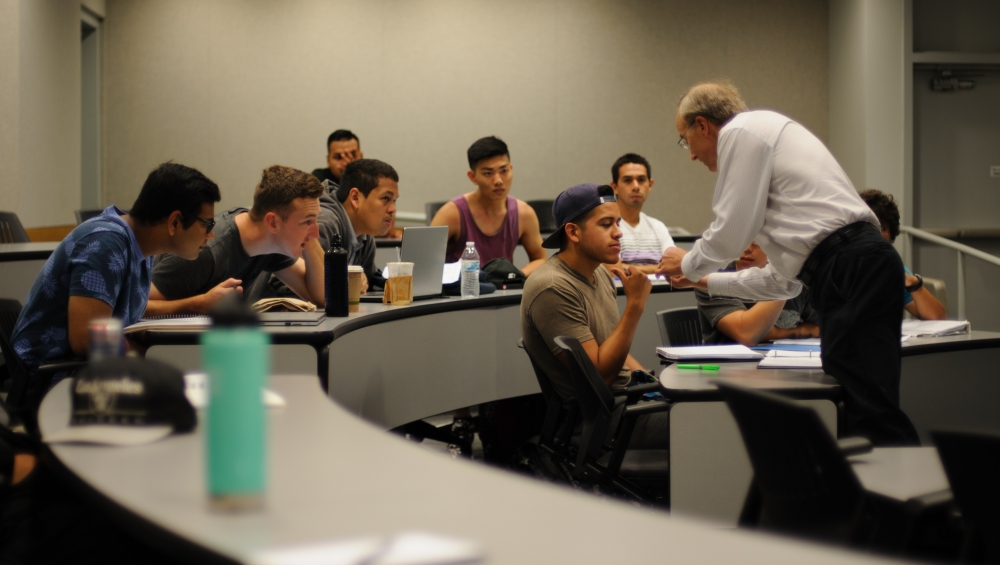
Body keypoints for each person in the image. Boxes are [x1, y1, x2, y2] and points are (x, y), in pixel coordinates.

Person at [657, 82, 919, 446]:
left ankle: (902, 497)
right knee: (864, 398)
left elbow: (731, 232)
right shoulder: (769, 150)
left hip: (851, 263)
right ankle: (876, 492)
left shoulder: (741, 131)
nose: (691, 156)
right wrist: (705, 281)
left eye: (684, 140)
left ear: (702, 125)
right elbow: (782, 284)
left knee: (871, 405)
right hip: (855, 263)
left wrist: (687, 265)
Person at [10, 162, 221, 393]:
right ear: (175, 222)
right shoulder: (105, 244)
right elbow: (87, 340)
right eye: (207, 224)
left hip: (89, 373)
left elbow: (126, 310)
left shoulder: (141, 247)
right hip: (50, 382)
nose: (210, 235)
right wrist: (160, 358)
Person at [521, 183, 667, 449]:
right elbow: (599, 376)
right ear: (573, 232)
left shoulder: (599, 272)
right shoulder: (553, 287)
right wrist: (635, 306)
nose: (619, 233)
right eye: (606, 224)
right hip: (604, 418)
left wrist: (654, 383)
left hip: (629, 400)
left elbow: (612, 344)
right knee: (713, 422)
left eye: (618, 223)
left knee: (707, 408)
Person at [148, 165, 326, 315]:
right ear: (272, 222)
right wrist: (196, 304)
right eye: (308, 221)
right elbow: (135, 307)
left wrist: (306, 229)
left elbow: (324, 296)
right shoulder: (207, 250)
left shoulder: (270, 243)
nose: (316, 233)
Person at [267, 158, 400, 297]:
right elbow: (282, 284)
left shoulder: (365, 235)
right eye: (385, 198)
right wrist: (341, 282)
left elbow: (369, 279)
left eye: (394, 200)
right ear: (355, 198)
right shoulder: (323, 224)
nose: (393, 209)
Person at [431, 136, 547, 276]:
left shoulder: (524, 213)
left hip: (503, 294)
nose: (498, 180)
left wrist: (515, 276)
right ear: (472, 177)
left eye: (504, 171)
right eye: (488, 173)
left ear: (511, 169)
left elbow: (540, 258)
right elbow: (424, 262)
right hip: (463, 293)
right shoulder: (452, 213)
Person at [696, 242, 820, 345]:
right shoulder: (712, 278)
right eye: (743, 242)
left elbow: (824, 328)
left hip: (786, 362)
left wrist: (773, 333)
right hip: (729, 367)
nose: (747, 249)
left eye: (757, 244)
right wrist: (782, 277)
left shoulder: (800, 278)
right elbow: (747, 333)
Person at [860, 189, 947, 321]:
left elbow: (938, 319)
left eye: (882, 227)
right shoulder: (837, 265)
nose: (876, 234)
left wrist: (913, 283)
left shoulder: (892, 269)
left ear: (891, 235)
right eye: (870, 226)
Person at [607, 153, 675, 274]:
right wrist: (657, 268)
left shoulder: (658, 227)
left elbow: (674, 266)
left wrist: (627, 268)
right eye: (628, 180)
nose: (636, 186)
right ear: (614, 187)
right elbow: (613, 271)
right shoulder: (606, 227)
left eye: (641, 179)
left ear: (650, 184)